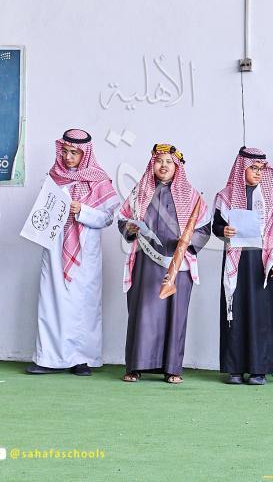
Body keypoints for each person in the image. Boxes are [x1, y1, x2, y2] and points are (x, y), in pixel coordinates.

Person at [27, 129, 120, 376]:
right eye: (65, 152)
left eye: (74, 153)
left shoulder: (99, 180)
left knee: (83, 305)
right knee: (52, 302)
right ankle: (48, 358)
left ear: (85, 154)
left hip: (85, 251)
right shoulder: (53, 177)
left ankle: (82, 359)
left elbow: (108, 218)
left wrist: (83, 211)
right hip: (54, 248)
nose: (68, 157)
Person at [117, 143, 211, 384]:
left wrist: (187, 242)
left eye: (169, 162)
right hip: (145, 262)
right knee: (142, 314)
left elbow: (204, 228)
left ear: (177, 166)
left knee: (175, 315)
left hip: (178, 265)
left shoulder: (192, 196)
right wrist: (129, 228)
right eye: (159, 161)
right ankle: (136, 366)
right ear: (152, 164)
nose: (163, 166)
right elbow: (123, 219)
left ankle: (172, 368)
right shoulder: (139, 193)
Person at [212, 147, 273, 385]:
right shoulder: (225, 196)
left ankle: (258, 370)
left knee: (261, 316)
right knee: (234, 313)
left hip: (261, 265)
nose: (258, 173)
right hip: (236, 262)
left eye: (261, 169)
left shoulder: (272, 198)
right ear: (241, 169)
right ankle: (234, 369)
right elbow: (216, 226)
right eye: (253, 168)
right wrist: (223, 231)